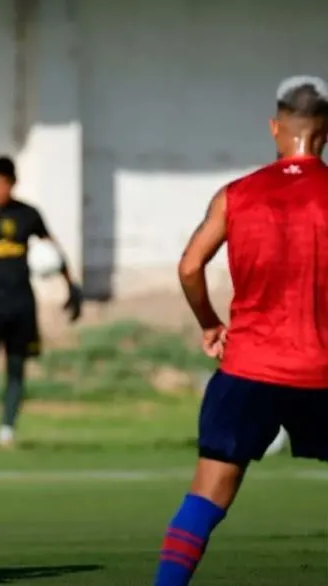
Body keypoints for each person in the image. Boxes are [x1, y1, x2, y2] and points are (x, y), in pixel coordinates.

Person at [153, 76, 328, 586]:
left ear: (276, 128)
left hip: (249, 368)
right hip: (322, 371)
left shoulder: (237, 195)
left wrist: (210, 323)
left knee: (206, 499)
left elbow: (190, 266)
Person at [0, 155, 82, 448]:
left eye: (6, 183)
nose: (1, 189)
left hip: (20, 304)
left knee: (15, 366)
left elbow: (52, 249)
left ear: (13, 182)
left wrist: (70, 284)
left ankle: (7, 429)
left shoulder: (28, 214)